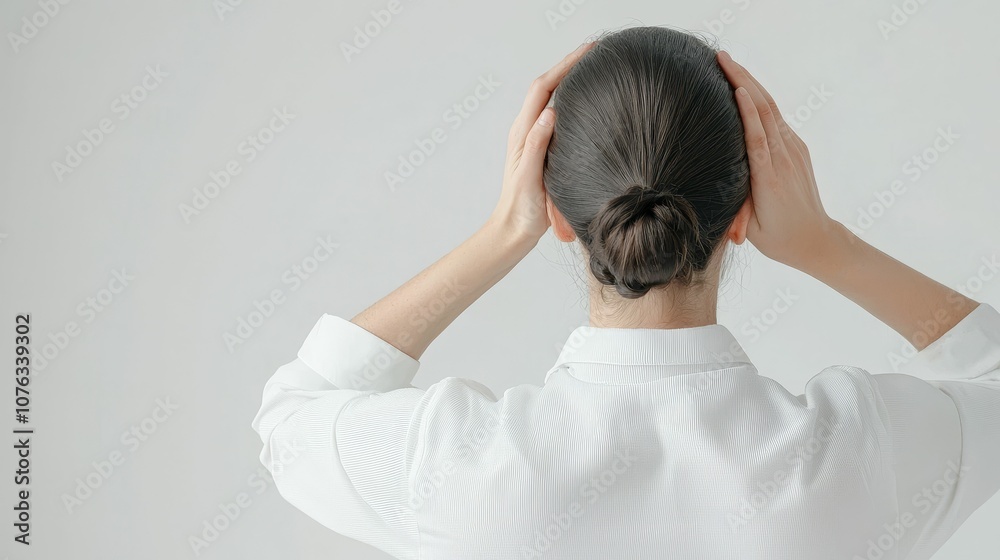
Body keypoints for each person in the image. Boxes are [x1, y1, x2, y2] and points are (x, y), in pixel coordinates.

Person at [251, 27, 1000, 559]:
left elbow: (293, 414)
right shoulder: (857, 457)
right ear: (744, 214)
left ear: (556, 213)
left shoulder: (454, 467)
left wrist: (499, 235)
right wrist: (825, 243)